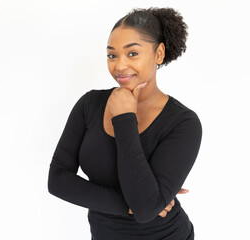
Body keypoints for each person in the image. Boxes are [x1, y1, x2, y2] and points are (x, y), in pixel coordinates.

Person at [48, 7, 202, 240]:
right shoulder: (90, 104)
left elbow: (146, 209)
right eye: (112, 55)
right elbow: (58, 180)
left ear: (158, 53)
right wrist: (132, 204)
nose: (119, 66)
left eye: (132, 54)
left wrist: (124, 119)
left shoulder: (183, 122)